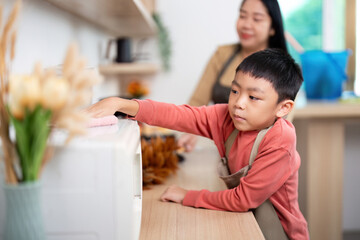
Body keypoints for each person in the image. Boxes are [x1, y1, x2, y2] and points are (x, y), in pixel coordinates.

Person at [85, 49, 309, 239]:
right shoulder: (224, 117)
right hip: (246, 221)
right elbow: (178, 115)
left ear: (283, 108)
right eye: (234, 91)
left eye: (253, 97)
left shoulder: (280, 139)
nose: (238, 103)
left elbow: (243, 199)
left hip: (279, 233)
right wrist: (121, 104)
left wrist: (188, 196)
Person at [178, 0, 288, 152]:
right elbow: (197, 102)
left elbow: (282, 125)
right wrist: (190, 130)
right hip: (220, 152)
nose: (246, 25)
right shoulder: (222, 54)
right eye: (243, 16)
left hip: (259, 155)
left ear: (272, 28)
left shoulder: (282, 68)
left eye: (256, 19)